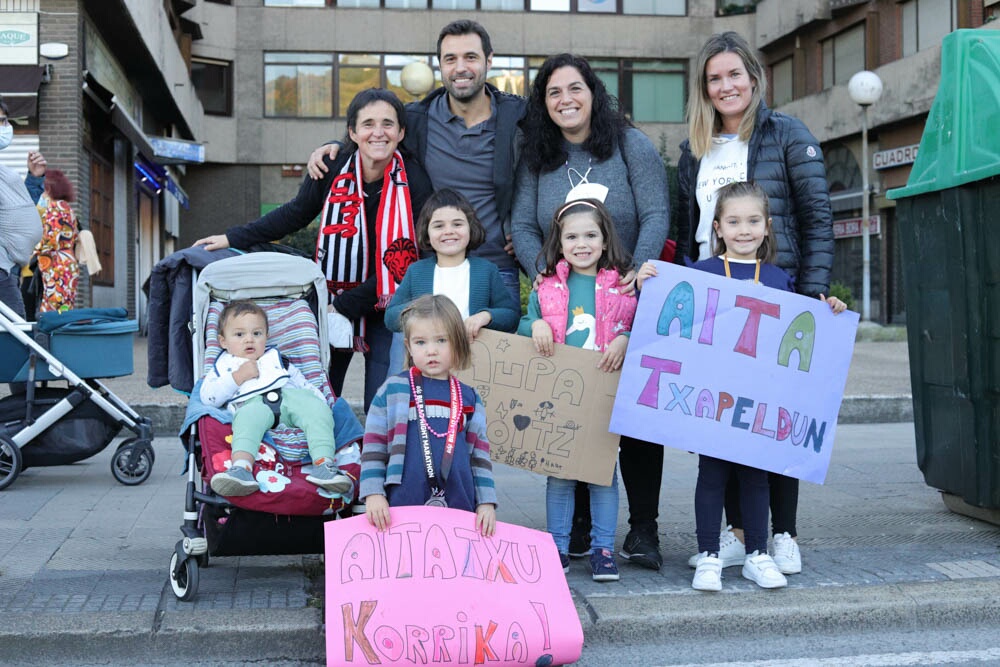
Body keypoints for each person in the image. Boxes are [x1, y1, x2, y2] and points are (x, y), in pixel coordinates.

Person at [676, 32, 835, 575]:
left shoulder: (786, 134)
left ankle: (783, 531)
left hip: (776, 298)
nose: (725, 86)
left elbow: (816, 217)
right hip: (714, 307)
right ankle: (742, 532)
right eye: (714, 78)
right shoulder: (693, 148)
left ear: (753, 78)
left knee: (774, 418)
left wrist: (811, 296)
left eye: (734, 75)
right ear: (705, 87)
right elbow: (686, 229)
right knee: (720, 422)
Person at [512, 53, 670, 570]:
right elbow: (522, 225)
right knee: (574, 415)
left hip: (628, 297)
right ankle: (580, 525)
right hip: (567, 301)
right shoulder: (537, 155)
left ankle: (642, 528)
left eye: (574, 88)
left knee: (635, 422)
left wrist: (636, 269)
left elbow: (655, 213)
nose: (565, 100)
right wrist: (545, 274)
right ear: (544, 103)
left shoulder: (631, 145)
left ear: (593, 92)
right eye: (553, 92)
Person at [193, 89, 433, 411]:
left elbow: (407, 260)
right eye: (368, 123)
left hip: (385, 299)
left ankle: (375, 458)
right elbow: (294, 214)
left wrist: (347, 305)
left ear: (401, 132)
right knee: (319, 393)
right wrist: (232, 237)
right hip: (329, 298)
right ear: (352, 131)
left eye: (388, 124)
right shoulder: (332, 166)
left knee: (382, 401)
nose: (378, 132)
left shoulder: (414, 179)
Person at [306, 20, 526, 307]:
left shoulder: (519, 118)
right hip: (427, 270)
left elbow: (545, 173)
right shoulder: (417, 119)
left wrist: (520, 228)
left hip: (496, 269)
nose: (460, 68)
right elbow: (375, 139)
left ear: (489, 59)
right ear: (440, 66)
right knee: (414, 353)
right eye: (450, 59)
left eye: (470, 57)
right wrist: (335, 146)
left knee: (493, 352)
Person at [518, 198, 654, 582]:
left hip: (603, 393)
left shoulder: (623, 286)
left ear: (605, 239)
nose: (582, 243)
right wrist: (536, 327)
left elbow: (645, 326)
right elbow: (526, 324)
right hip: (558, 394)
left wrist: (626, 338)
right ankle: (557, 547)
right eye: (572, 236)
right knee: (559, 474)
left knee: (601, 474)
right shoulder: (546, 286)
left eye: (591, 235)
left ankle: (603, 550)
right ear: (559, 244)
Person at [361, 294, 497, 537]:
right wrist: (373, 494)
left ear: (458, 343)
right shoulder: (392, 391)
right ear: (408, 347)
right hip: (401, 508)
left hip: (459, 507)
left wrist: (486, 501)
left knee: (453, 571)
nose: (431, 351)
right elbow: (373, 448)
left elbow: (480, 457)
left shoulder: (470, 398)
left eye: (441, 340)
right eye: (421, 342)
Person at [199, 300, 354, 498]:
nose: (249, 340)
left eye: (257, 334)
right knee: (246, 421)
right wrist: (237, 378)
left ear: (266, 336)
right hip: (253, 402)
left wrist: (320, 403)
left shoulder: (277, 358)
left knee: (317, 411)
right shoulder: (225, 366)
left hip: (292, 398)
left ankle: (324, 465)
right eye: (239, 334)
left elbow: (301, 381)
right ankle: (241, 468)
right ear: (223, 342)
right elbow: (208, 397)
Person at [384, 188, 520, 341]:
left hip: (474, 357)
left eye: (457, 224)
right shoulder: (416, 271)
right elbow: (390, 318)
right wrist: (418, 310)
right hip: (429, 358)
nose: (448, 231)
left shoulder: (486, 270)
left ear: (471, 228)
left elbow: (511, 316)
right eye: (439, 226)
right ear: (426, 233)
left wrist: (486, 316)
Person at [0, 100, 44, 321]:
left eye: (3, 121)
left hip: (7, 267)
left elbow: (20, 208)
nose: (2, 127)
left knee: (14, 336)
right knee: (16, 336)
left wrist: (34, 178)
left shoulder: (3, 173)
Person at [34, 168, 79, 314]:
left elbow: (50, 239)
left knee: (52, 308)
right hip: (68, 262)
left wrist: (32, 251)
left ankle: (53, 337)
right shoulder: (67, 208)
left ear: (48, 188)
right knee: (65, 307)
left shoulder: (54, 207)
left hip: (56, 265)